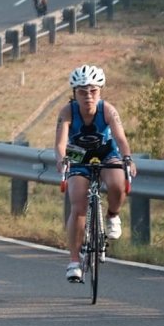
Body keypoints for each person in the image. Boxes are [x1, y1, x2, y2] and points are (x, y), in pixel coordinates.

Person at [54, 64, 136, 282]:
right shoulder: (67, 111)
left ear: (99, 91)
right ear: (75, 93)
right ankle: (74, 261)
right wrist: (62, 160)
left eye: (93, 91)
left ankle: (112, 215)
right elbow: (61, 144)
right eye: (82, 92)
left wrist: (127, 157)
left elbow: (120, 138)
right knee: (78, 204)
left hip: (106, 153)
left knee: (118, 184)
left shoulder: (107, 110)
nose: (88, 96)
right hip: (79, 157)